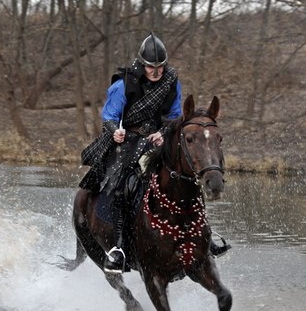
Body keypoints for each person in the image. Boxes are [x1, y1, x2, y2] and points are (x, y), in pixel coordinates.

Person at [79, 33, 229, 274]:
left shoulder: (171, 81)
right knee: (123, 183)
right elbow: (109, 115)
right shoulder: (124, 84)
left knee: (187, 175)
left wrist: (163, 132)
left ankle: (205, 236)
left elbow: (173, 115)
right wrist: (114, 131)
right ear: (142, 63)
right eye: (152, 66)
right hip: (127, 139)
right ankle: (118, 248)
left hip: (159, 138)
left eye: (160, 66)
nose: (156, 71)